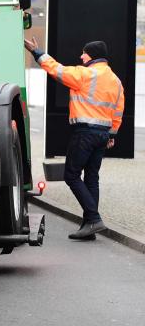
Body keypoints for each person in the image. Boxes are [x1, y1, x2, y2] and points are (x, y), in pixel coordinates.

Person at [25, 37, 125, 240]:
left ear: (93, 55)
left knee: (71, 175)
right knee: (91, 177)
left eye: (84, 53)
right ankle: (89, 226)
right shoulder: (115, 80)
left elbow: (57, 70)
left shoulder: (86, 74)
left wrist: (37, 52)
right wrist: (112, 134)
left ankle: (94, 219)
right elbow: (118, 110)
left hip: (85, 133)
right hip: (102, 134)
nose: (81, 56)